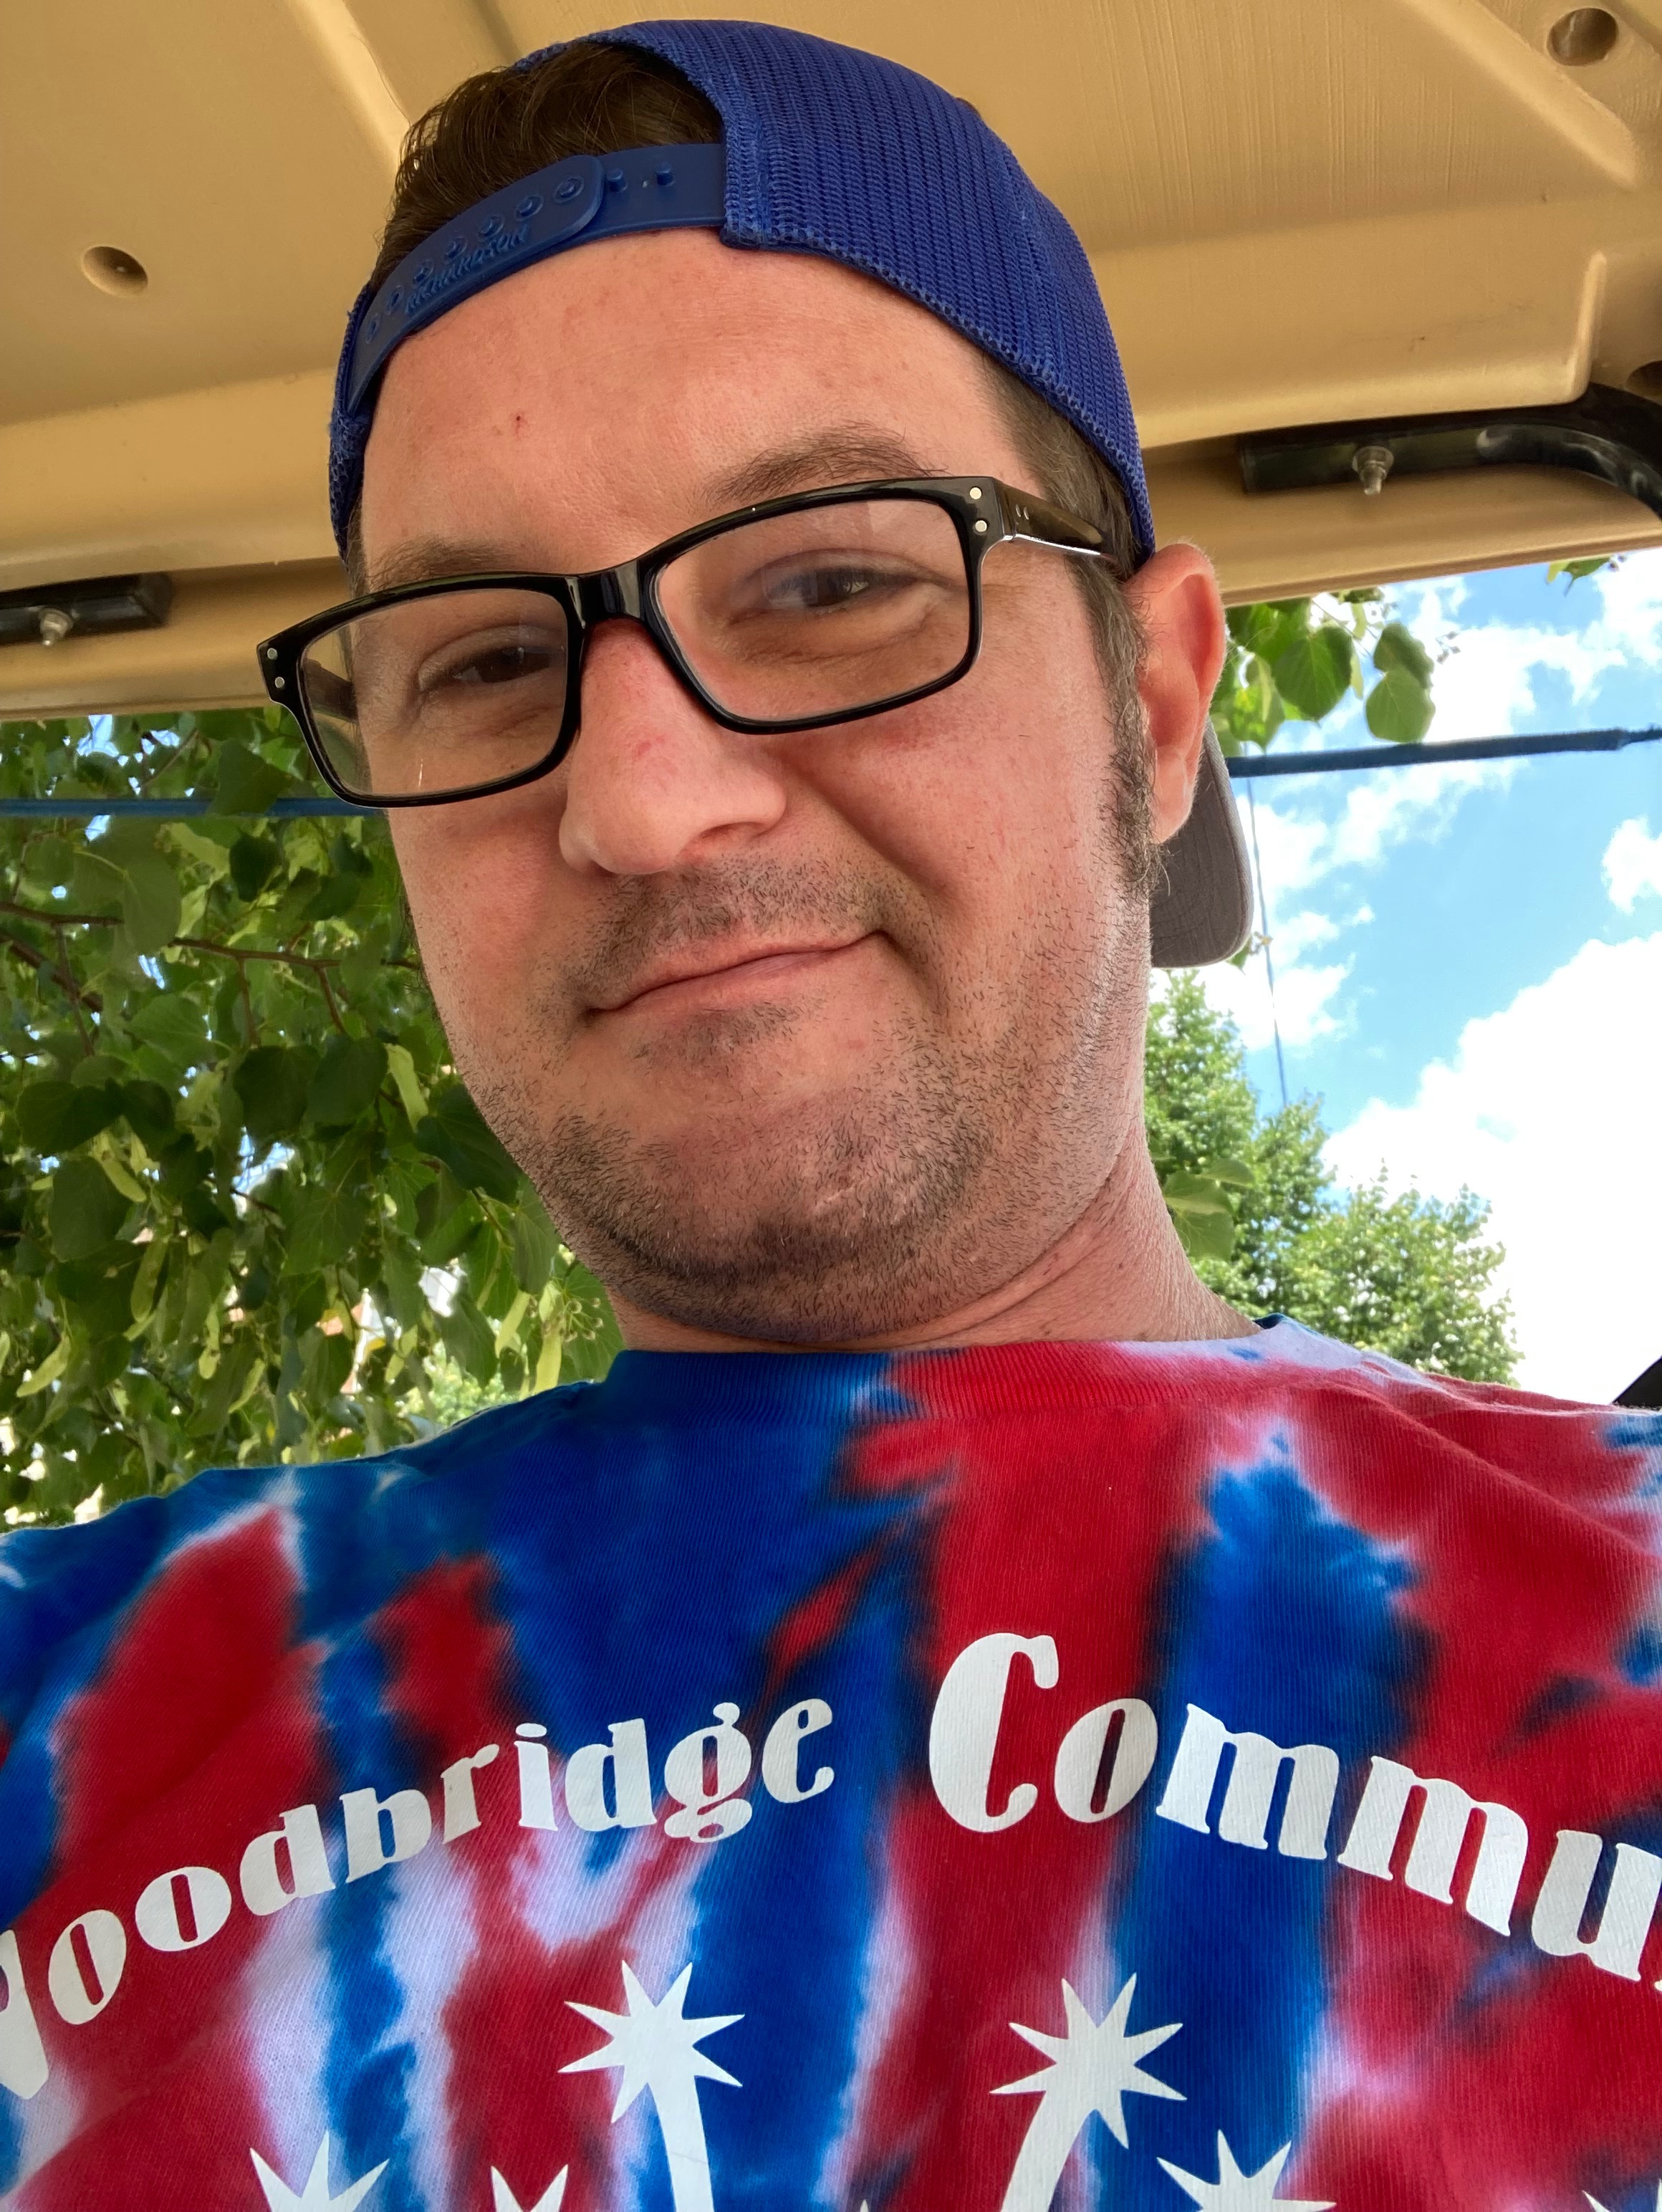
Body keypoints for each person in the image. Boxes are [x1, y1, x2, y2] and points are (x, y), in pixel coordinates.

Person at [1, 22, 1659, 2211]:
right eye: (482, 661)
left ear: (1155, 705)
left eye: (826, 581)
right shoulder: (60, 1702)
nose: (640, 800)